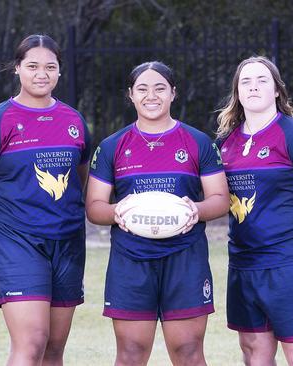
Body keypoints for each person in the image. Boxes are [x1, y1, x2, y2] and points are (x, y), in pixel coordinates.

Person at [0, 34, 91, 366]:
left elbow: (80, 180)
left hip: (67, 243)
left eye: (50, 67)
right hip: (17, 243)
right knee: (31, 343)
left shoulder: (74, 122)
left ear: (59, 72)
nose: (41, 74)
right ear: (17, 69)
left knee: (54, 348)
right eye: (32, 66)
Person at [86, 61, 229, 366]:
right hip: (131, 261)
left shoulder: (198, 142)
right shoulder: (112, 146)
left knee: (189, 352)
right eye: (143, 89)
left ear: (173, 93)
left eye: (160, 88)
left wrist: (197, 209)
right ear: (131, 95)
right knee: (131, 354)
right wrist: (116, 211)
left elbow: (220, 199)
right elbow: (94, 208)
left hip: (185, 259)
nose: (151, 95)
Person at [216, 56, 293, 365]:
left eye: (262, 81)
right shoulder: (225, 142)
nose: (253, 87)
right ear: (237, 92)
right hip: (243, 265)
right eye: (246, 81)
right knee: (255, 354)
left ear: (276, 91)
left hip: (290, 265)